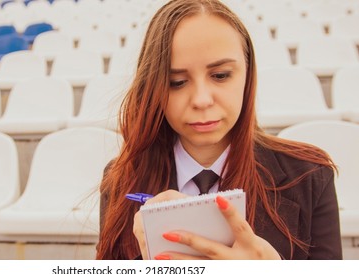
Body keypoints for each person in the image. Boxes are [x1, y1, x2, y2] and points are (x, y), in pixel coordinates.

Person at [96, 0, 342, 260]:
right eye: (176, 82)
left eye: (221, 75)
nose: (201, 100)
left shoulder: (310, 175)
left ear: (248, 74)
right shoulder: (122, 179)